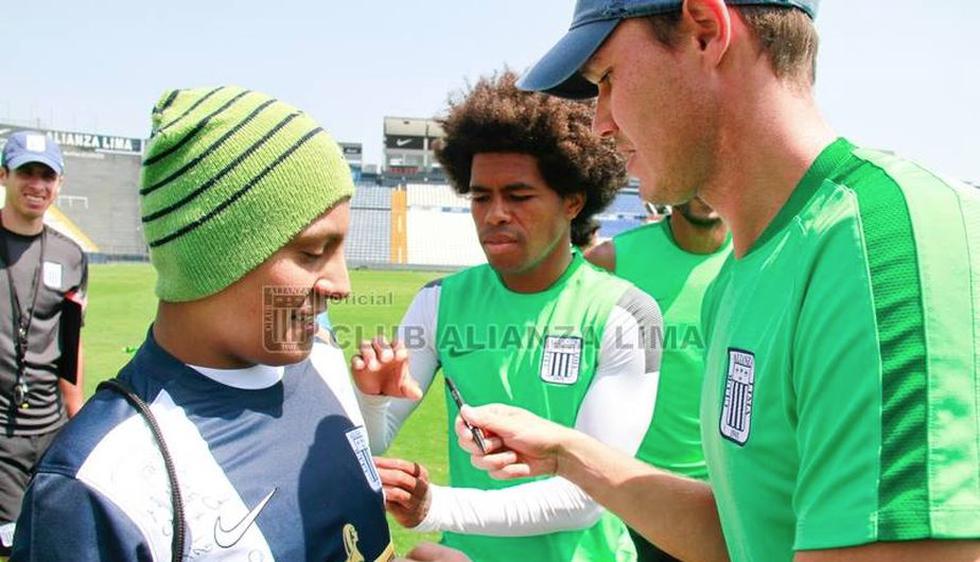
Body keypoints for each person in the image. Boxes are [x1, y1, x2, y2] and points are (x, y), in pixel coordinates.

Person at [453, 0, 980, 561]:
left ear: (705, 32)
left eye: (607, 79)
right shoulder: (737, 278)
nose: (600, 122)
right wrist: (566, 453)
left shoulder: (883, 240)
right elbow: (746, 532)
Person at [11, 86, 395, 561]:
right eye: (313, 253)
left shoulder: (324, 355)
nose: (340, 284)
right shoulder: (98, 485)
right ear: (213, 255)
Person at [352, 71, 663, 562]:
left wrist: (436, 507)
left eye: (518, 196)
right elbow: (370, 443)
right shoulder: (438, 303)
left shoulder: (627, 315)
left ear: (572, 202)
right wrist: (370, 404)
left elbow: (591, 495)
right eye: (480, 197)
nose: (495, 213)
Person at [585, 196, 730, 561]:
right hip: (633, 490)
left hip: (730, 498)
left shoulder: (765, 259)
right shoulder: (613, 260)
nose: (702, 192)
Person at [0, 132, 86, 554]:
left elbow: (71, 342)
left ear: (59, 185)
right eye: (26, 173)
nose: (37, 184)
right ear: (4, 176)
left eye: (47, 175)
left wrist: (78, 413)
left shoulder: (70, 256)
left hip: (50, 429)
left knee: (47, 542)